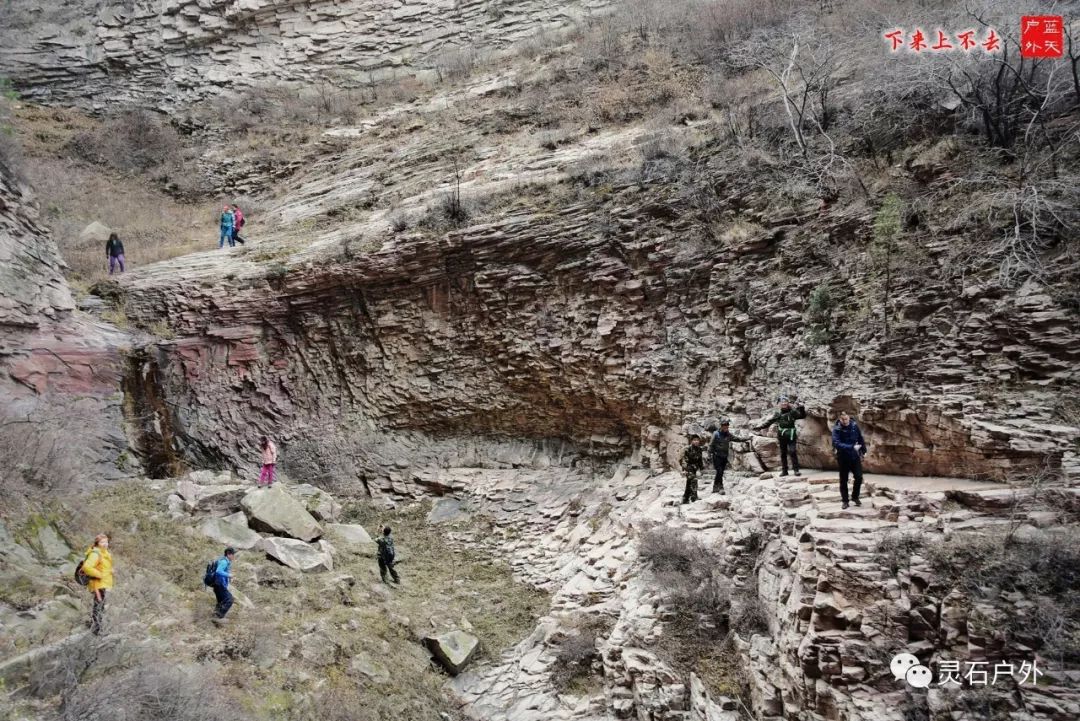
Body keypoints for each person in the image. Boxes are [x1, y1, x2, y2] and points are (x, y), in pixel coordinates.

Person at [755, 396, 807, 476]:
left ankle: (796, 470)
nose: (784, 403)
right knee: (783, 453)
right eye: (782, 402)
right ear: (779, 404)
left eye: (785, 402)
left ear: (788, 403)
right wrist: (760, 427)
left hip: (791, 434)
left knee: (792, 451)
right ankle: (784, 471)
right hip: (782, 435)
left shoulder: (792, 412)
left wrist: (801, 408)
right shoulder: (778, 414)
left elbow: (802, 416)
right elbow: (769, 422)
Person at [832, 411, 868, 509]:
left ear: (849, 417)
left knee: (859, 477)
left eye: (846, 419)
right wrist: (852, 447)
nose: (845, 421)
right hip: (843, 457)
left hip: (854, 456)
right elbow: (836, 443)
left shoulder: (854, 426)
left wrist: (864, 450)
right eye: (843, 419)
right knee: (843, 480)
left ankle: (855, 497)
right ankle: (845, 501)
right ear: (840, 419)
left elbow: (860, 438)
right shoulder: (836, 429)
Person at [80, 534, 114, 635]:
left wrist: (110, 571)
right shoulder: (95, 553)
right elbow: (87, 567)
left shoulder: (105, 553)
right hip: (97, 583)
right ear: (97, 543)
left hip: (102, 583)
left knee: (100, 605)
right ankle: (97, 629)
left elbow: (102, 567)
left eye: (106, 542)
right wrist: (99, 575)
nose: (105, 544)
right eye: (102, 542)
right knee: (99, 605)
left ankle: (95, 625)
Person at [707, 419, 750, 494]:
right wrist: (708, 455)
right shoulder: (716, 433)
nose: (726, 428)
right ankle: (720, 487)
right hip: (717, 456)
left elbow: (737, 439)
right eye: (724, 426)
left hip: (724, 456)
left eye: (727, 426)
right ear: (721, 426)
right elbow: (711, 445)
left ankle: (715, 487)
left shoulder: (728, 434)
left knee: (720, 472)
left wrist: (747, 438)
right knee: (719, 471)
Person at [211, 547, 236, 624]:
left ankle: (214, 616)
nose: (233, 556)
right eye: (232, 554)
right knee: (230, 599)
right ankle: (218, 616)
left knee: (221, 602)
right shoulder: (224, 562)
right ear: (228, 554)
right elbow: (218, 571)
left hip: (218, 584)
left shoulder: (224, 561)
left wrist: (228, 577)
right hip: (219, 584)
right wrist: (229, 575)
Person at [680, 435, 705, 504]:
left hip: (695, 467)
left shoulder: (699, 449)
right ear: (691, 441)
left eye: (697, 440)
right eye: (694, 440)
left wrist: (701, 468)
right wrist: (685, 469)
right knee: (694, 480)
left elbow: (700, 460)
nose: (696, 441)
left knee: (689, 482)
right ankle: (694, 497)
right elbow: (683, 460)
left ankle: (685, 498)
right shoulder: (687, 449)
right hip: (688, 467)